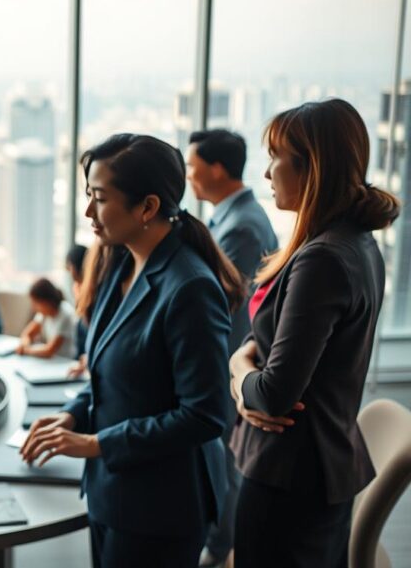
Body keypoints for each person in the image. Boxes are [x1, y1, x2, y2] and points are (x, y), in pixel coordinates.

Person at [22, 133, 244, 568]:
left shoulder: (190, 287)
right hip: (112, 492)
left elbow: (204, 415)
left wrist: (95, 443)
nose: (88, 212)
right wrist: (75, 413)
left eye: (100, 198)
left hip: (161, 508)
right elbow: (109, 374)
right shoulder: (120, 263)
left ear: (147, 207)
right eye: (88, 195)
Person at [228, 100, 400, 568]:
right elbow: (286, 342)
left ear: (311, 167)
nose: (267, 174)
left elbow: (272, 396)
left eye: (275, 157)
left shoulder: (322, 259)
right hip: (314, 472)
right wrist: (251, 358)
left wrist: (237, 368)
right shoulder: (356, 241)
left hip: (289, 478)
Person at [187, 128, 279, 567]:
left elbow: (221, 304)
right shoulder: (230, 218)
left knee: (224, 460)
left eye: (193, 166)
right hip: (230, 359)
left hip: (232, 361)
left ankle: (220, 548)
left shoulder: (241, 227)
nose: (188, 175)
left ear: (217, 169)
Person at [15, 277, 77, 359]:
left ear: (46, 301)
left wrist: (26, 350)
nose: (33, 308)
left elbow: (50, 350)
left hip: (64, 361)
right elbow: (27, 333)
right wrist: (24, 343)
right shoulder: (43, 314)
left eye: (35, 303)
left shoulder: (66, 314)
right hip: (50, 361)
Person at [65, 244, 90, 360]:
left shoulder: (91, 285)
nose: (69, 273)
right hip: (82, 324)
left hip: (88, 325)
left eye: (70, 268)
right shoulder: (77, 286)